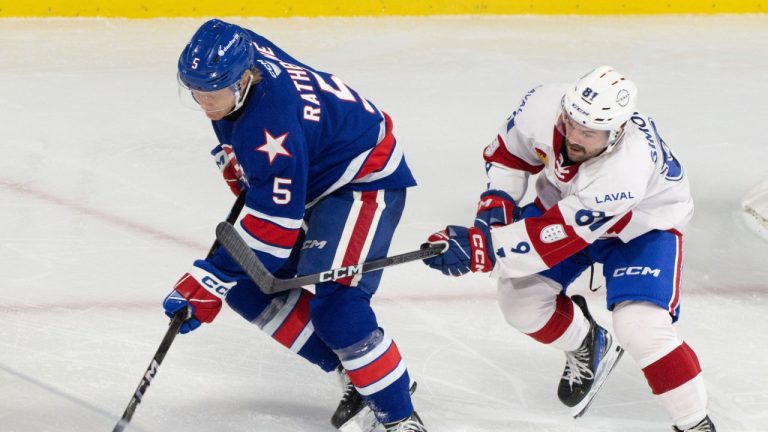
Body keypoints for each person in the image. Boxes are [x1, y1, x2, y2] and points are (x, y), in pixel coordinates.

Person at [163, 18, 427, 432]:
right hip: (310, 171)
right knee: (247, 286)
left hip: (362, 178)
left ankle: (400, 418)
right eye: (195, 91)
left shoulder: (270, 122)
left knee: (338, 306)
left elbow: (276, 233)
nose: (204, 103)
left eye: (213, 93)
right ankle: (361, 377)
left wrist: (210, 278)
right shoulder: (239, 54)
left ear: (245, 79)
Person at [422, 66, 715, 431]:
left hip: (640, 228)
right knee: (521, 306)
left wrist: (484, 251)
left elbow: (553, 237)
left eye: (589, 133)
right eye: (570, 123)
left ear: (616, 132)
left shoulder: (625, 169)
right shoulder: (544, 104)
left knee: (641, 326)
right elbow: (508, 156)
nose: (574, 136)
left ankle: (694, 423)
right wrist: (493, 214)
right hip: (564, 208)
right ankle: (589, 342)